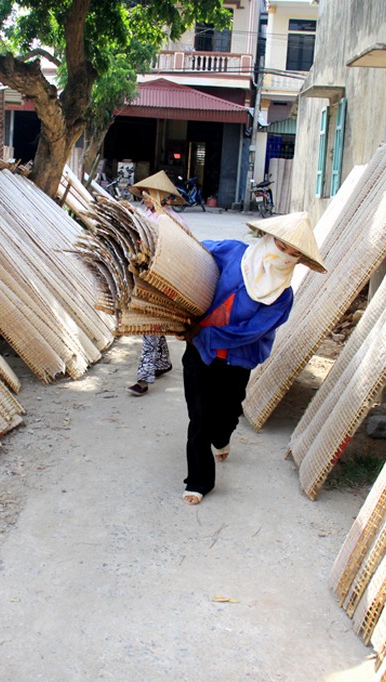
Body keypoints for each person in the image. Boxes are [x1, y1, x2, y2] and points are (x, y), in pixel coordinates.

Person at [176, 212, 327, 505]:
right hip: (199, 353)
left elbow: (250, 332)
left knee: (226, 416)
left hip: (236, 361)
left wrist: (201, 334)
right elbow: (194, 257)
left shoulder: (283, 296)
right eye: (281, 246)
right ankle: (199, 480)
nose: (284, 255)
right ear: (268, 238)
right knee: (199, 418)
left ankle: (223, 437)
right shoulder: (233, 252)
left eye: (293, 254)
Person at [125, 171, 186, 397]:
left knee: (149, 324)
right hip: (144, 276)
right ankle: (163, 363)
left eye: (148, 195)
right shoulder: (145, 216)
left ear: (161, 196)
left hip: (163, 279)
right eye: (144, 195)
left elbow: (182, 254)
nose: (145, 199)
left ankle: (143, 377)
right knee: (152, 323)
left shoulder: (174, 222)